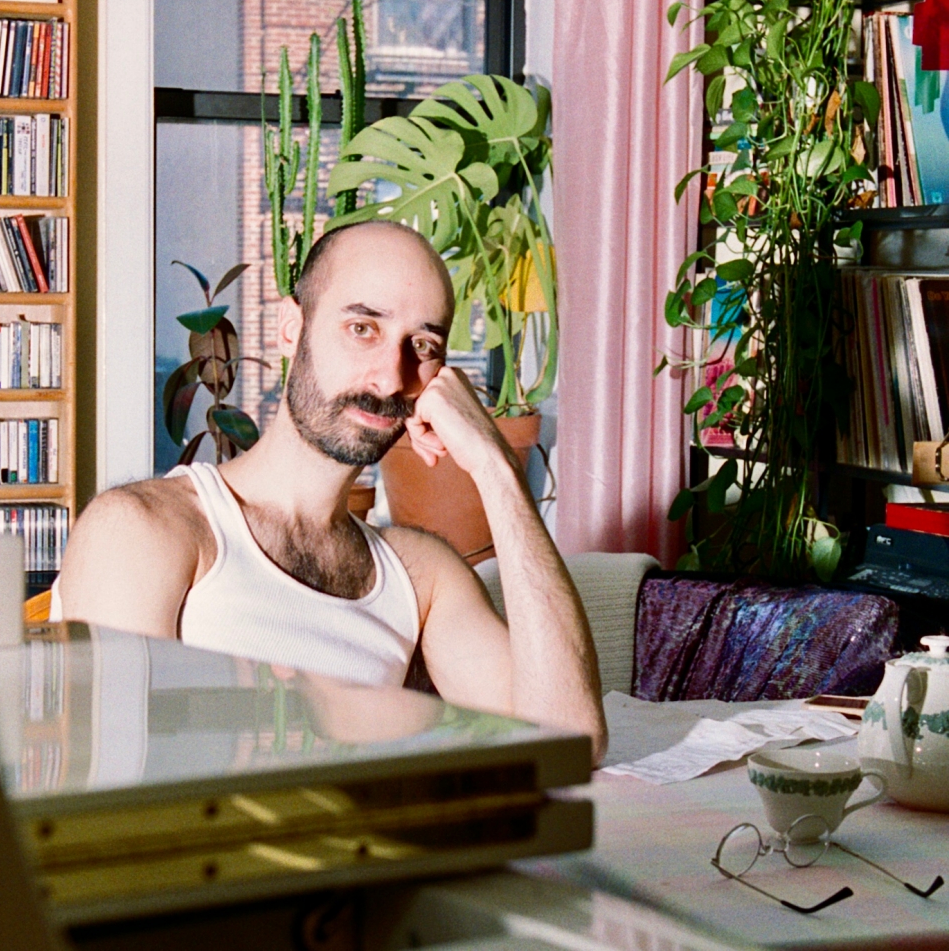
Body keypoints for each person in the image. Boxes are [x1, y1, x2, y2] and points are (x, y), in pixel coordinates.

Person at [56, 221, 607, 762]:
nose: (391, 377)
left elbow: (568, 741)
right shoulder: (146, 529)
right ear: (293, 328)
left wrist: (494, 466)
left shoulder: (422, 575)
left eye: (422, 344)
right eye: (362, 328)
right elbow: (117, 781)